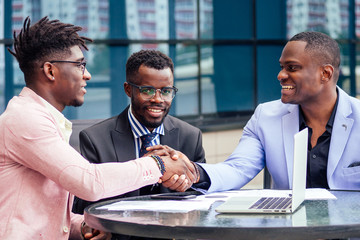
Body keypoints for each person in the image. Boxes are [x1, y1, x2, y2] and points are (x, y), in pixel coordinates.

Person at [0, 16, 196, 240]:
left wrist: (81, 226)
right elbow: (89, 182)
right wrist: (159, 164)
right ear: (50, 71)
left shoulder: (42, 119)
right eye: (79, 65)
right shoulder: (26, 119)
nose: (87, 74)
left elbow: (39, 210)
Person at [194, 31, 360, 192]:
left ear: (325, 73)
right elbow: (237, 169)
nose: (280, 75)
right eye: (282, 67)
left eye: (292, 68)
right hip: (291, 220)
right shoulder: (265, 117)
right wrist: (194, 173)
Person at [72, 50, 206, 214]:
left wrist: (185, 185)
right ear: (128, 90)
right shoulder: (95, 139)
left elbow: (203, 196)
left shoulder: (190, 137)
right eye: (147, 90)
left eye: (166, 91)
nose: (158, 99)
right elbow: (81, 205)